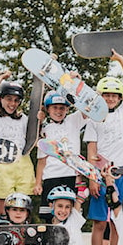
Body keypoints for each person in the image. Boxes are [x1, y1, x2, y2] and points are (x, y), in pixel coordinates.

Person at [83, 54, 123, 245]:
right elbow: (91, 151)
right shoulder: (94, 120)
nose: (111, 98)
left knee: (119, 222)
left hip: (122, 172)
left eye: (114, 95)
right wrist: (92, 178)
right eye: (106, 95)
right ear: (99, 96)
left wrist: (120, 60)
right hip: (101, 173)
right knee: (99, 223)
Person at [0, 77, 36, 223]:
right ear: (0, 98)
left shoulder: (23, 118)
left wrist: (40, 119)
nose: (12, 104)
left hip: (23, 161)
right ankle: (2, 218)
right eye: (9, 99)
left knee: (24, 196)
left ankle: (25, 220)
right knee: (3, 191)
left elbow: (33, 137)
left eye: (16, 100)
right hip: (4, 159)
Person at [34, 91, 86, 224]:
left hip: (71, 174)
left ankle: (70, 242)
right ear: (48, 109)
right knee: (49, 217)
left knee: (71, 214)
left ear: (67, 109)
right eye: (55, 107)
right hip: (51, 176)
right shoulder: (44, 130)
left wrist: (75, 85)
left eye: (62, 108)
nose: (59, 111)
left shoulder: (73, 120)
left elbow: (86, 108)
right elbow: (41, 160)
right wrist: (38, 183)